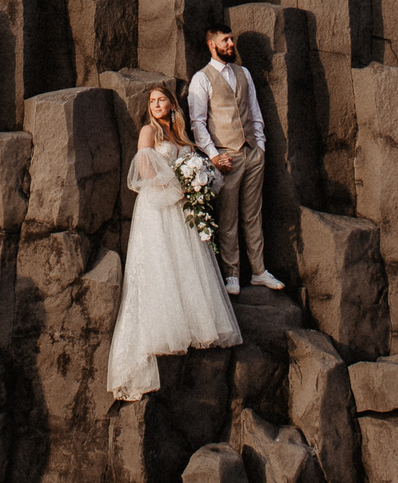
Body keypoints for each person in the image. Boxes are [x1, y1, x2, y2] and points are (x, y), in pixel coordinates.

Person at [108, 86, 242, 400]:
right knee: (160, 264)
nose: (156, 105)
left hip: (181, 209)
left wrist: (208, 169)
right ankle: (161, 333)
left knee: (186, 264)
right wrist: (180, 182)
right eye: (152, 101)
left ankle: (192, 326)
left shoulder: (180, 135)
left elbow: (194, 164)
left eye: (161, 100)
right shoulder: (148, 131)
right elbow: (144, 170)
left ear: (171, 104)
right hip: (157, 207)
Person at [184, 24, 284, 294]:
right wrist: (215, 156)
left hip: (252, 152)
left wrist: (260, 146)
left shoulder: (244, 73)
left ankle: (259, 271)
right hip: (226, 156)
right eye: (225, 40)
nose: (231, 44)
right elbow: (198, 123)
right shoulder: (201, 78)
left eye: (231, 40)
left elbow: (254, 110)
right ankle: (232, 275)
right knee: (228, 218)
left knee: (253, 215)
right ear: (211, 44)